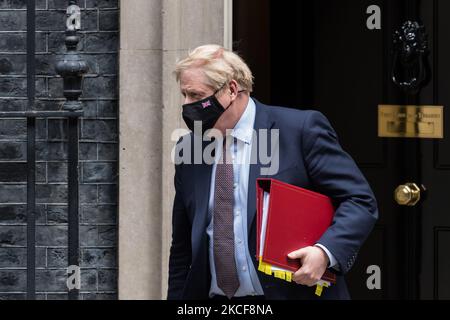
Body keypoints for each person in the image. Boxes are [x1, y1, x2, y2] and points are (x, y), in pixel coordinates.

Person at [167, 44, 378, 300]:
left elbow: (359, 200)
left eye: (195, 95)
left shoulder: (299, 130)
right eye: (184, 95)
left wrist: (324, 252)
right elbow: (182, 248)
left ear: (232, 89)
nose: (187, 105)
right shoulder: (189, 148)